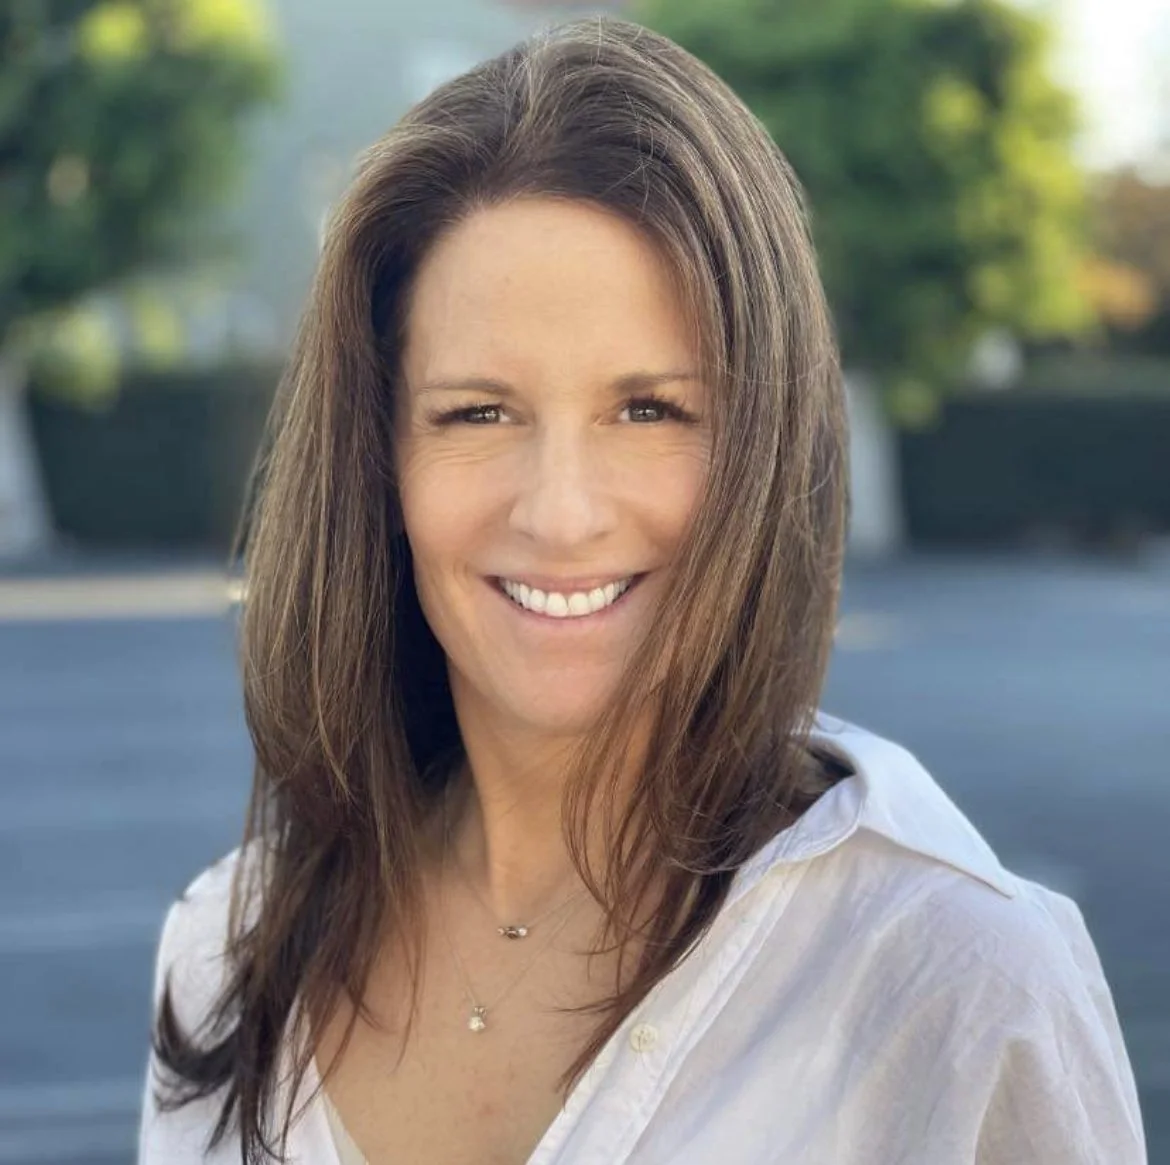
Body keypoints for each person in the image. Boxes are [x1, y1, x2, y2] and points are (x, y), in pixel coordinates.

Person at [137, 15, 1147, 1165]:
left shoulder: (955, 977)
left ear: (765, 446)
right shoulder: (229, 947)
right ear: (379, 461)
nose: (561, 512)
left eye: (651, 410)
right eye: (478, 411)